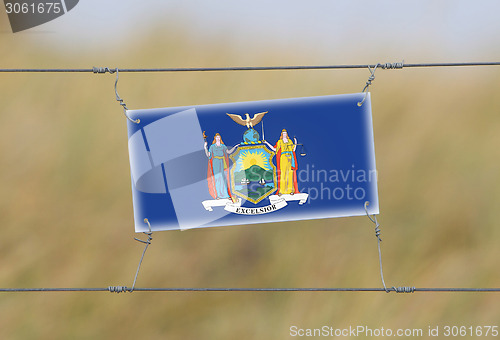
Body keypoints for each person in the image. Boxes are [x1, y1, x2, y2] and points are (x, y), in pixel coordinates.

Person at [264, 129, 299, 195]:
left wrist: (295, 142)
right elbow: (274, 149)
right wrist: (266, 143)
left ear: (287, 134)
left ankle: (291, 191)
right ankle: (282, 191)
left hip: (290, 158)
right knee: (283, 174)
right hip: (283, 158)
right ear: (281, 135)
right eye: (283, 133)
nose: (284, 135)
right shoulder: (280, 141)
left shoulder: (290, 141)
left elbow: (293, 149)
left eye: (285, 133)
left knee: (290, 174)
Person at [204, 133, 238, 199]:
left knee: (223, 178)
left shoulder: (223, 146)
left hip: (222, 162)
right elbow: (208, 155)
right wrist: (205, 147)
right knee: (217, 178)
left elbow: (228, 152)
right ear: (215, 138)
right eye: (217, 137)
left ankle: (226, 195)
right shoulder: (212, 146)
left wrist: (235, 147)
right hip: (216, 162)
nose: (218, 139)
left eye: (219, 137)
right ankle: (218, 195)